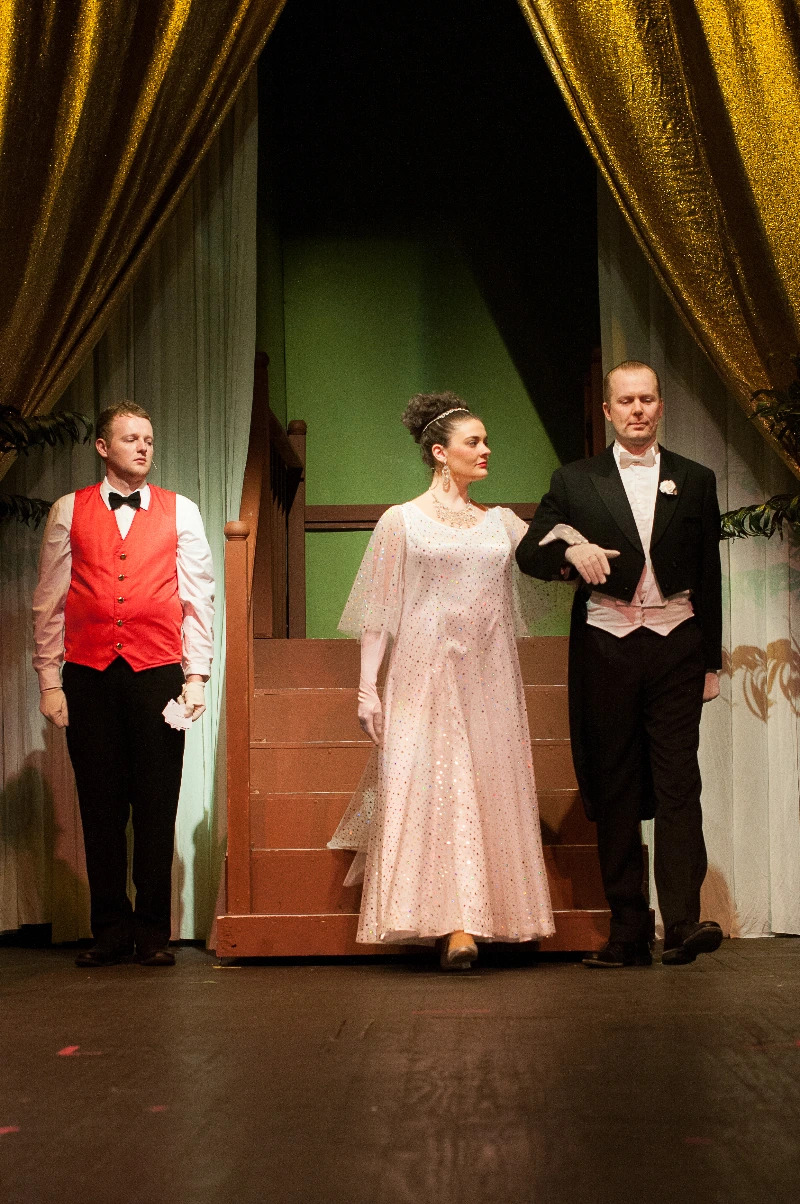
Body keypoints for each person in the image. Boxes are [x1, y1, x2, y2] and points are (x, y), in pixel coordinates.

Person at [328, 392, 554, 970]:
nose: (485, 450)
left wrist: (580, 543)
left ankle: (479, 915)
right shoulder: (401, 521)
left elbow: (550, 550)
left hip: (488, 672)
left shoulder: (500, 522)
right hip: (423, 670)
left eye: (486, 441)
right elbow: (379, 613)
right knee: (436, 786)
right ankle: (452, 924)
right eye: (473, 442)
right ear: (439, 452)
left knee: (483, 784)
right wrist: (367, 689)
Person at [516, 360, 723, 968]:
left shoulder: (696, 478)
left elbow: (708, 573)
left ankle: (682, 923)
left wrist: (711, 661)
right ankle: (629, 930)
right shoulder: (576, 480)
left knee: (680, 780)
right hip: (607, 646)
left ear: (661, 406)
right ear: (607, 411)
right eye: (626, 401)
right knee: (615, 784)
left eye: (647, 399)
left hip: (676, 643)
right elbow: (529, 554)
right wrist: (570, 547)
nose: (638, 410)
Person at [32, 402, 214, 968]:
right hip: (88, 676)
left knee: (157, 805)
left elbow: (198, 600)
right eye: (131, 438)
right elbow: (49, 600)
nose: (143, 447)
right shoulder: (69, 510)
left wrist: (197, 675)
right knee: (101, 807)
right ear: (102, 447)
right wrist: (49, 680)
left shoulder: (181, 510)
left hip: (157, 674)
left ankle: (153, 933)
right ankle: (109, 931)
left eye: (149, 440)